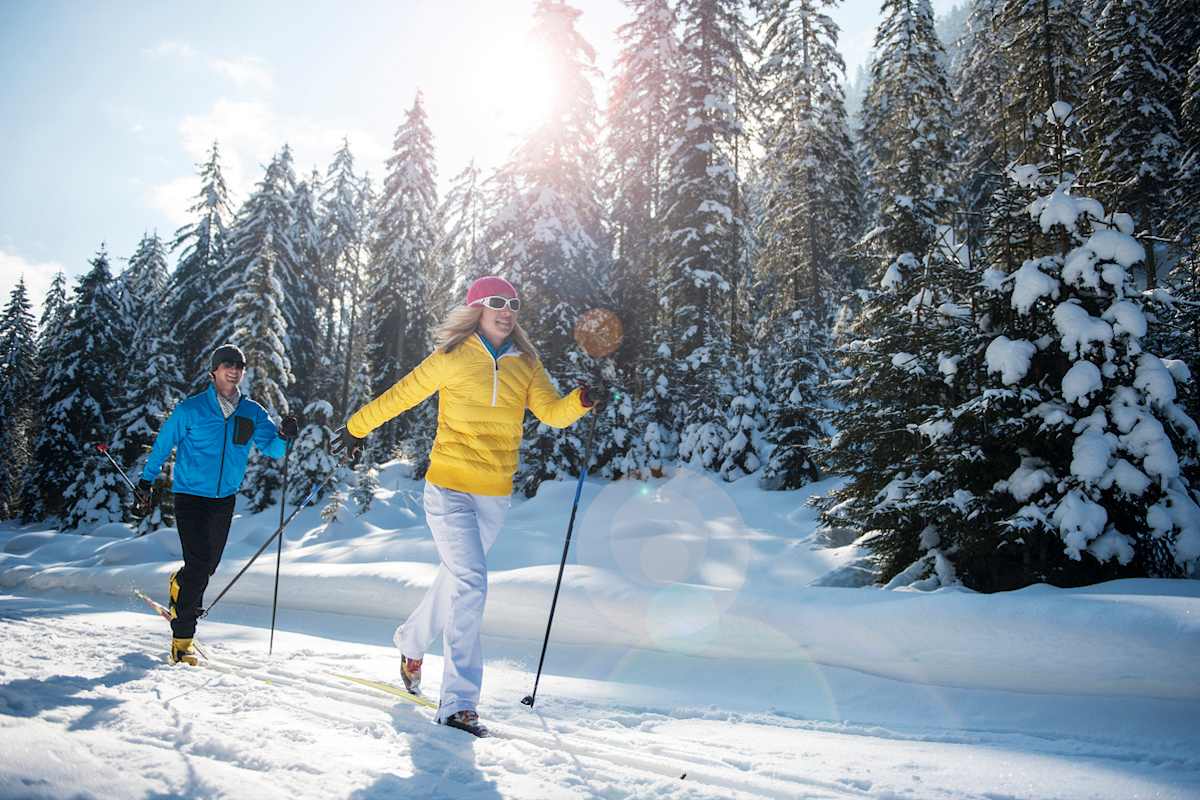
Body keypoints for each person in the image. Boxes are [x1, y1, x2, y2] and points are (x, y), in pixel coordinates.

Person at [338, 276, 599, 737]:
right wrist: (357, 427)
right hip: (449, 488)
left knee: (457, 579)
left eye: (514, 303)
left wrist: (579, 401)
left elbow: (552, 415)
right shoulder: (453, 357)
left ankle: (411, 639)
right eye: (497, 302)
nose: (507, 310)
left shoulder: (527, 364)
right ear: (477, 308)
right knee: (473, 582)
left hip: (494, 494)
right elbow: (402, 394)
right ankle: (458, 703)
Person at [135, 344, 298, 665]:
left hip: (224, 499)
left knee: (206, 567)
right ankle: (182, 641)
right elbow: (163, 443)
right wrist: (146, 480)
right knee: (199, 566)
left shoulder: (252, 412)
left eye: (239, 365)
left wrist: (284, 435)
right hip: (190, 497)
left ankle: (179, 585)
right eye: (227, 364)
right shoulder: (191, 410)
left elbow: (274, 450)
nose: (234, 369)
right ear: (214, 371)